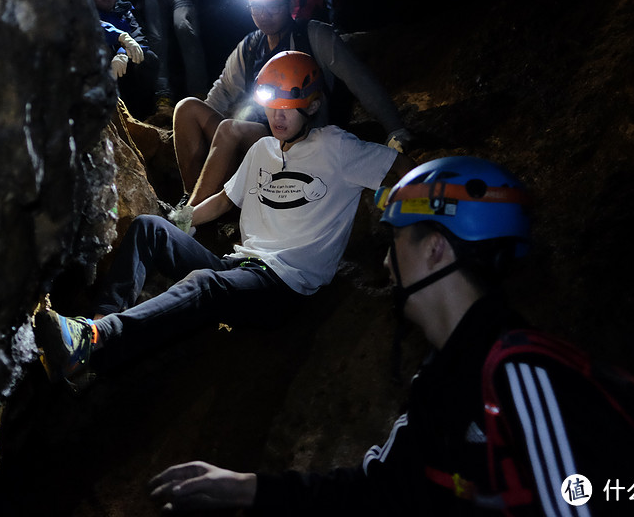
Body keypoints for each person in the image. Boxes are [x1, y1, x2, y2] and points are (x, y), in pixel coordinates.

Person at [147, 156, 634, 515]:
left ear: (436, 247)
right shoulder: (446, 380)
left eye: (397, 242)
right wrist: (251, 490)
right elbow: (383, 493)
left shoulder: (520, 373)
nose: (387, 262)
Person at [33, 51, 415, 389]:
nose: (277, 116)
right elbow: (223, 201)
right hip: (238, 266)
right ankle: (94, 335)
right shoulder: (263, 150)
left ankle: (95, 342)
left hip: (283, 285)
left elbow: (403, 168)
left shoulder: (339, 147)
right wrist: (178, 221)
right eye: (271, 105)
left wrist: (412, 214)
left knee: (204, 285)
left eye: (288, 106)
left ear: (311, 107)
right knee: (151, 229)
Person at [172, 0, 412, 209]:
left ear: (289, 1)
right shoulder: (251, 47)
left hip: (305, 142)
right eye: (256, 7)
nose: (263, 14)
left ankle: (188, 217)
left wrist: (396, 130)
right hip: (260, 142)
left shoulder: (315, 36)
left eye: (272, 6)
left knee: (230, 129)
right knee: (187, 108)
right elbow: (219, 94)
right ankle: (193, 199)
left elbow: (362, 83)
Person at [86, 0, 159, 120]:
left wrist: (122, 53)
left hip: (121, 75)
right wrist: (120, 36)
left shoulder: (125, 10)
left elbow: (139, 38)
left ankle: (141, 118)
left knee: (147, 59)